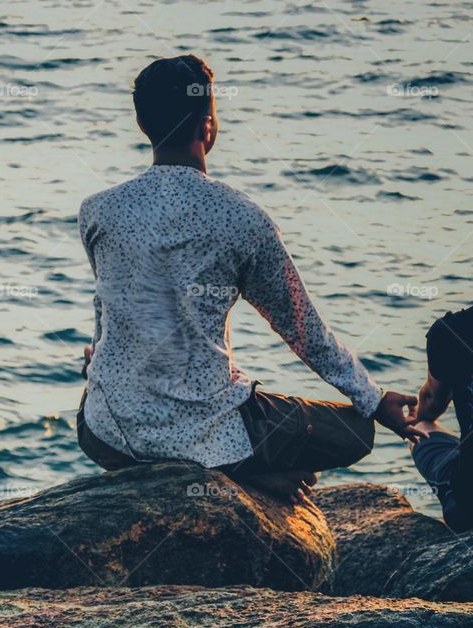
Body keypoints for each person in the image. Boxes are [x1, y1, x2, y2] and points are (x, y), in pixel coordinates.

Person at [76, 54, 421, 502]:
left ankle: (235, 468)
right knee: (354, 433)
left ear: (143, 125)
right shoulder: (243, 218)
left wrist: (100, 357)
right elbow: (303, 330)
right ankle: (249, 472)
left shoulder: (98, 210)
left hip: (105, 433)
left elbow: (107, 306)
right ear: (207, 126)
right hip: (204, 438)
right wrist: (374, 401)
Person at [411, 305, 473, 531]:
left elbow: (430, 405)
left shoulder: (452, 332)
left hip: (468, 508)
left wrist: (408, 421)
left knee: (420, 427)